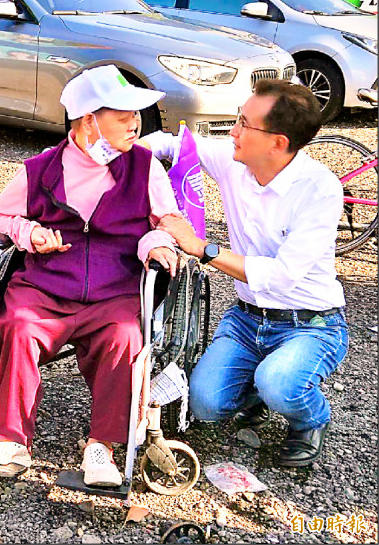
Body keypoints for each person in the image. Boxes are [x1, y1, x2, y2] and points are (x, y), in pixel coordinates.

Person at [0, 65, 180, 487]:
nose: (135, 124)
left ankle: (101, 446)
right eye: (123, 116)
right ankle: (9, 439)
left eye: (136, 115)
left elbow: (168, 218)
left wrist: (154, 241)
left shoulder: (145, 167)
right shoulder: (41, 169)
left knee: (125, 337)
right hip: (45, 288)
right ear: (89, 120)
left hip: (114, 291)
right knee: (19, 326)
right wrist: (27, 232)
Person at [143, 79, 348, 468]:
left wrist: (202, 247)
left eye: (243, 123)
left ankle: (310, 418)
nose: (232, 132)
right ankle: (256, 387)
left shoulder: (320, 190)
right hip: (246, 319)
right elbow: (172, 144)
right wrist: (119, 151)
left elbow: (282, 276)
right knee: (205, 405)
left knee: (282, 385)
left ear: (278, 142)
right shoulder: (235, 160)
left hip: (311, 324)